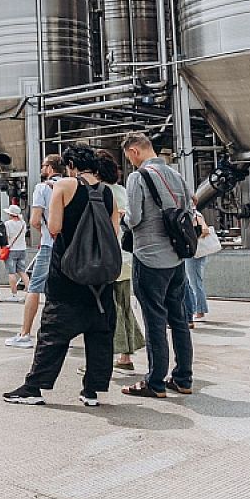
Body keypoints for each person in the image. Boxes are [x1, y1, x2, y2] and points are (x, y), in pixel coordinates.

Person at [3, 146, 118, 407]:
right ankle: (91, 391)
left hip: (68, 268)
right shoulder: (107, 191)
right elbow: (113, 230)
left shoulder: (65, 185)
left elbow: (54, 227)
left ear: (71, 165)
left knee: (54, 328)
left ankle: (34, 387)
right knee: (100, 329)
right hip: (100, 273)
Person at [120, 132, 195, 397]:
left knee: (154, 321)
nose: (130, 162)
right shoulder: (177, 175)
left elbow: (135, 217)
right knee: (179, 320)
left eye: (129, 156)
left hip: (150, 257)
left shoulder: (138, 177)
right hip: (176, 259)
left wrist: (122, 218)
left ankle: (155, 382)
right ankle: (184, 378)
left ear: (134, 151)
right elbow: (190, 209)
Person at [5, 154, 64, 349]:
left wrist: (45, 231)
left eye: (43, 165)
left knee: (34, 288)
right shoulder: (71, 185)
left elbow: (35, 220)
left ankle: (24, 333)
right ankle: (63, 334)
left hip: (49, 244)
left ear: (49, 168)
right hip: (69, 246)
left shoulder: (42, 188)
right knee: (64, 290)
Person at [97, 149, 144, 371]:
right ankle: (126, 356)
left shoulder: (100, 192)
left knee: (106, 307)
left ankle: (105, 357)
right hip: (126, 256)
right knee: (124, 304)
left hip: (107, 257)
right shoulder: (122, 190)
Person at [183, 211, 211, 325]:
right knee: (194, 281)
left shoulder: (195, 215)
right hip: (197, 253)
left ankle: (199, 311)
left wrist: (193, 239)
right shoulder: (195, 214)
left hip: (195, 253)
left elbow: (205, 230)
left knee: (194, 282)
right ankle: (198, 310)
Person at [3, 204, 28, 301]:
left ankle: (14, 294)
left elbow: (7, 237)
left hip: (11, 250)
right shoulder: (23, 223)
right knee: (22, 271)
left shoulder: (8, 224)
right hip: (22, 248)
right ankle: (29, 292)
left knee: (11, 273)